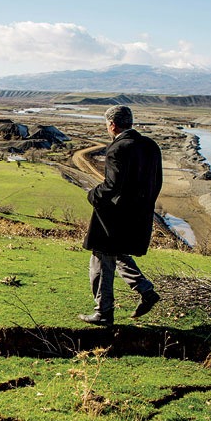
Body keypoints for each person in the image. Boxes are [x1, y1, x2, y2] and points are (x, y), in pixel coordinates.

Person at [79, 105, 163, 326]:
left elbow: (112, 186)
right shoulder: (151, 146)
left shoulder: (118, 148)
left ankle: (103, 313)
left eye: (107, 124)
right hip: (139, 214)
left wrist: (93, 195)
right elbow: (157, 182)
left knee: (100, 260)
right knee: (118, 254)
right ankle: (146, 291)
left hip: (115, 216)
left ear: (112, 125)